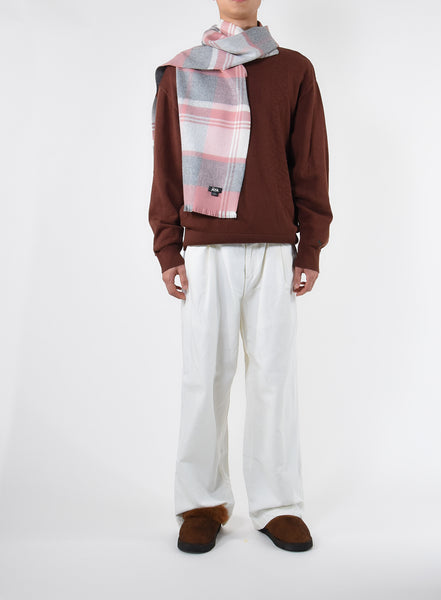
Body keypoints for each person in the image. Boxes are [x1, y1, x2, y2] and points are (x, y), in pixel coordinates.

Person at [149, 0, 333, 553]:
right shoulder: (184, 71)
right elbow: (166, 164)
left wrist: (310, 246)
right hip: (206, 250)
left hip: (275, 247)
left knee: (275, 377)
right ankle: (201, 503)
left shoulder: (295, 69)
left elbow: (310, 161)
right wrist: (168, 247)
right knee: (203, 377)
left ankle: (278, 504)